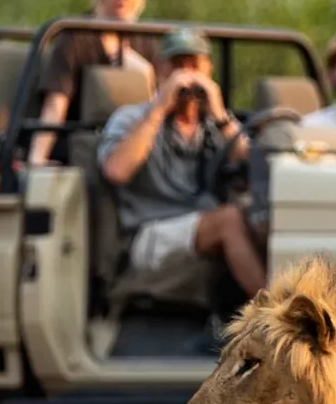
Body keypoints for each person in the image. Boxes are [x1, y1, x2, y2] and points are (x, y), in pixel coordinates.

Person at [97, 27, 266, 300]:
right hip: (149, 232)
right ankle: (275, 317)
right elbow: (116, 170)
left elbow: (252, 169)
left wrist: (221, 115)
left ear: (208, 70)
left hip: (203, 222)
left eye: (194, 66)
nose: (187, 76)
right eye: (177, 67)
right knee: (230, 220)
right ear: (160, 70)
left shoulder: (215, 124)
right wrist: (160, 108)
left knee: (262, 215)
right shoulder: (132, 118)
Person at [28, 0, 158, 165]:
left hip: (135, 145)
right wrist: (37, 158)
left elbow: (161, 102)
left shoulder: (150, 40)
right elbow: (56, 103)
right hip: (81, 145)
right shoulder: (74, 36)